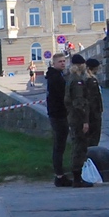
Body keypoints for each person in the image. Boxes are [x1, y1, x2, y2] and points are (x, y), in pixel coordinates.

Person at [64, 54, 93, 187]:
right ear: (80, 65)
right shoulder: (77, 81)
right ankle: (77, 178)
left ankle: (77, 176)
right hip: (78, 118)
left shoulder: (70, 78)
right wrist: (85, 121)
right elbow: (79, 102)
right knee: (80, 147)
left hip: (73, 117)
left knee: (78, 145)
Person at [45, 53, 72, 187]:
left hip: (58, 113)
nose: (63, 63)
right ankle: (59, 176)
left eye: (64, 61)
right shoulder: (55, 78)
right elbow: (62, 96)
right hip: (58, 114)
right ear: (54, 63)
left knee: (60, 145)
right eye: (60, 61)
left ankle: (60, 174)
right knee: (59, 146)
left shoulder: (57, 75)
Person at [85, 58, 104, 147]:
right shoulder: (91, 80)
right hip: (94, 113)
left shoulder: (91, 79)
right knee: (94, 135)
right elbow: (92, 98)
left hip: (94, 112)